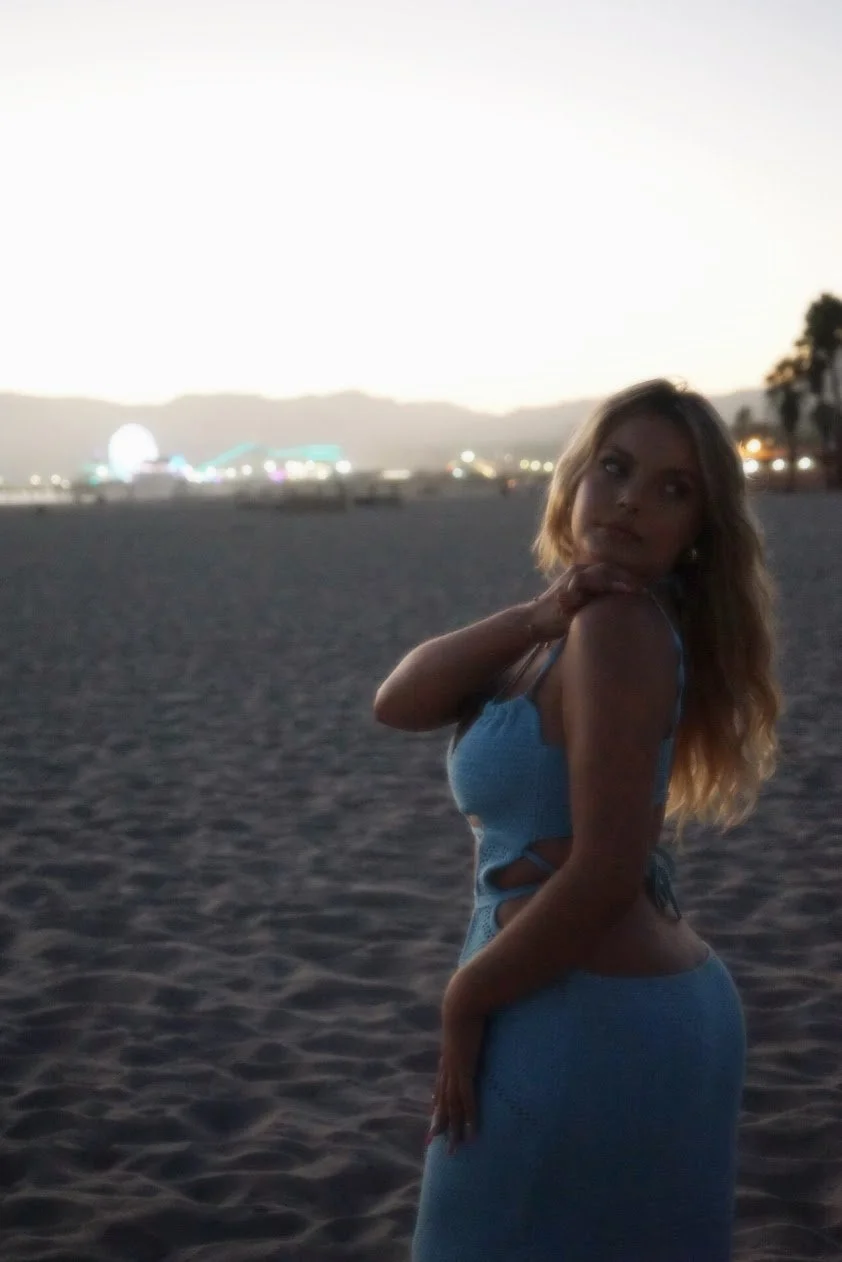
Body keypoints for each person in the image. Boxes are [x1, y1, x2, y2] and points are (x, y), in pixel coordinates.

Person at [374, 379, 781, 1262]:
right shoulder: (568, 628)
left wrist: (465, 996)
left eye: (673, 489)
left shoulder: (620, 629)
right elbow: (398, 701)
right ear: (575, 480)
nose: (633, 498)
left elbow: (605, 868)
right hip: (588, 1002)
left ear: (697, 531)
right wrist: (538, 611)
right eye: (615, 467)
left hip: (591, 1020)